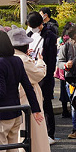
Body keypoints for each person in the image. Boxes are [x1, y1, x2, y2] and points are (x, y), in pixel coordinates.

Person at [29, 9, 60, 139]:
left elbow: (52, 60)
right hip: (32, 71)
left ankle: (49, 133)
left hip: (44, 74)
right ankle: (36, 131)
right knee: (33, 103)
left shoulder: (49, 36)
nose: (33, 29)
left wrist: (48, 76)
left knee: (46, 103)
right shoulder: (30, 34)